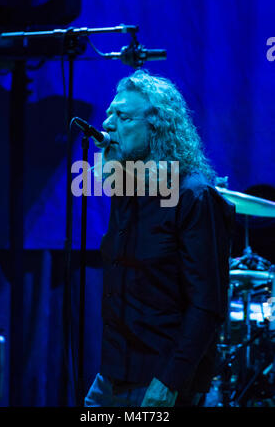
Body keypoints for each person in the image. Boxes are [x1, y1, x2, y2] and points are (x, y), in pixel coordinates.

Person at [84, 70, 235, 407]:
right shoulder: (127, 190)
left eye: (122, 116)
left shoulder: (193, 196)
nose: (107, 124)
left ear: (156, 127)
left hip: (160, 380)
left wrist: (169, 381)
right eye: (109, 114)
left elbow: (207, 304)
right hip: (113, 375)